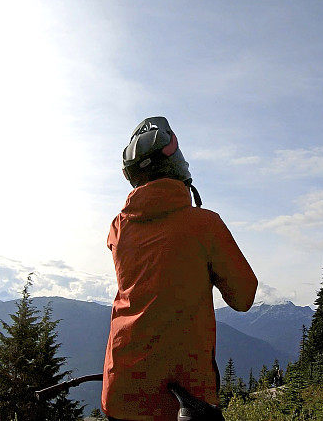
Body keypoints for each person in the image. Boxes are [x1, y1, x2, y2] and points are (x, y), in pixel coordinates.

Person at [102, 116, 258, 421]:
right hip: (182, 399)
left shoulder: (118, 228)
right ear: (175, 164)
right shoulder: (205, 225)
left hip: (120, 390)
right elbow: (244, 297)